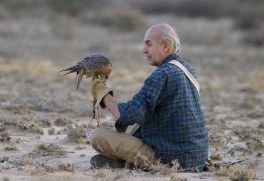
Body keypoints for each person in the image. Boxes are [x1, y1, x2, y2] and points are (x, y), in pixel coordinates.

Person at [89, 23, 208, 172]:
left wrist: (102, 93)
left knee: (98, 136)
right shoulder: (187, 68)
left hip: (171, 159)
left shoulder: (161, 74)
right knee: (135, 127)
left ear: (165, 46)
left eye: (148, 44)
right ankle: (130, 162)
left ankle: (139, 163)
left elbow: (127, 114)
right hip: (197, 157)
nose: (144, 50)